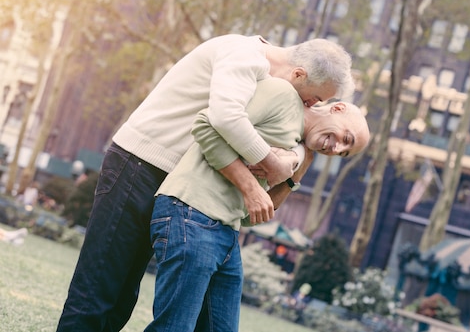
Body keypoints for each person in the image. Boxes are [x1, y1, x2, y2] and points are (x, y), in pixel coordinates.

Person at [56, 34, 355, 332]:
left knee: (122, 298)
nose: (308, 106)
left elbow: (295, 135)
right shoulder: (243, 55)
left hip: (177, 184)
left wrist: (297, 155)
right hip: (140, 164)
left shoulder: (269, 82)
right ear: (298, 74)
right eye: (313, 98)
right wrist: (274, 165)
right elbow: (225, 119)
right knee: (98, 289)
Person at [146, 77, 370, 332]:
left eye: (342, 152)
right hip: (191, 211)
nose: (336, 148)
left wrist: (300, 167)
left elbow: (253, 216)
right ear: (337, 108)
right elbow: (207, 124)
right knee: (173, 327)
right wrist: (253, 186)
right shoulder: (283, 97)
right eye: (346, 138)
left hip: (227, 232)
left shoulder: (298, 147)